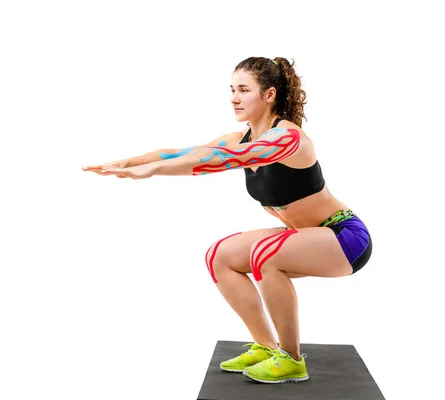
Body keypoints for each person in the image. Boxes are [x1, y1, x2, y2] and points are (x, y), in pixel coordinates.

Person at [82, 57, 372, 384]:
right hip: (307, 237)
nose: (234, 97)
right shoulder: (240, 138)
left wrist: (152, 171)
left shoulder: (287, 139)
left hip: (344, 237)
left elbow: (223, 160)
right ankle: (266, 346)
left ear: (269, 94)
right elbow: (183, 153)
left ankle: (291, 360)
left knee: (265, 253)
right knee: (219, 256)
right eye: (232, 89)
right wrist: (129, 161)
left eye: (244, 90)